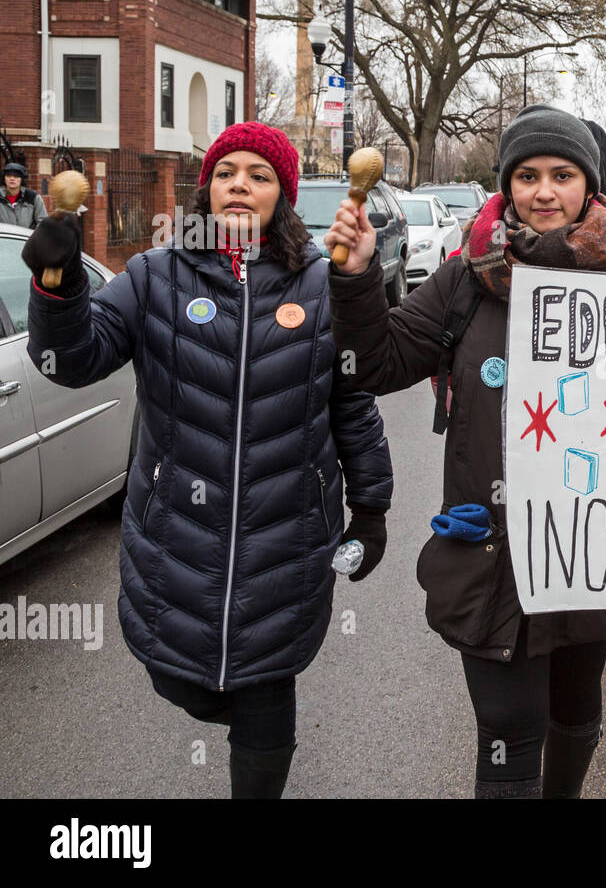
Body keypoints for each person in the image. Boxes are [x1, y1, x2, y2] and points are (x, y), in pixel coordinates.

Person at [324, 104, 606, 798]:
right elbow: (371, 365)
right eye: (526, 175)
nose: (544, 191)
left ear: (591, 186)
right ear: (507, 185)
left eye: (561, 174)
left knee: (574, 710)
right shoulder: (465, 281)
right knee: (508, 724)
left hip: (589, 551)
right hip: (487, 548)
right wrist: (356, 280)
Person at [20, 122, 393, 798]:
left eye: (259, 174)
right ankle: (216, 691)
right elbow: (73, 361)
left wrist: (371, 507)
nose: (241, 185)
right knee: (182, 675)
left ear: (282, 193)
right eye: (227, 173)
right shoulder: (156, 275)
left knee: (266, 684)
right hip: (178, 531)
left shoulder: (317, 282)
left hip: (286, 532)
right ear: (206, 190)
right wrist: (58, 283)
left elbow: (353, 399)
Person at [1, 162, 49, 229]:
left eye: (16, 176)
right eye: (8, 176)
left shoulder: (33, 197)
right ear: (4, 178)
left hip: (27, 238)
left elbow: (43, 222)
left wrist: (33, 237)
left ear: (22, 179)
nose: (12, 178)